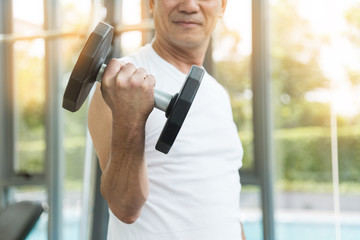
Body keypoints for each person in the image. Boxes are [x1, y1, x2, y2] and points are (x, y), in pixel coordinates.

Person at [88, 0, 245, 239]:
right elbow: (124, 207)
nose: (190, 6)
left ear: (222, 6)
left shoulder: (217, 94)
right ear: (151, 3)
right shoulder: (120, 84)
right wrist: (131, 119)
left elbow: (226, 209)